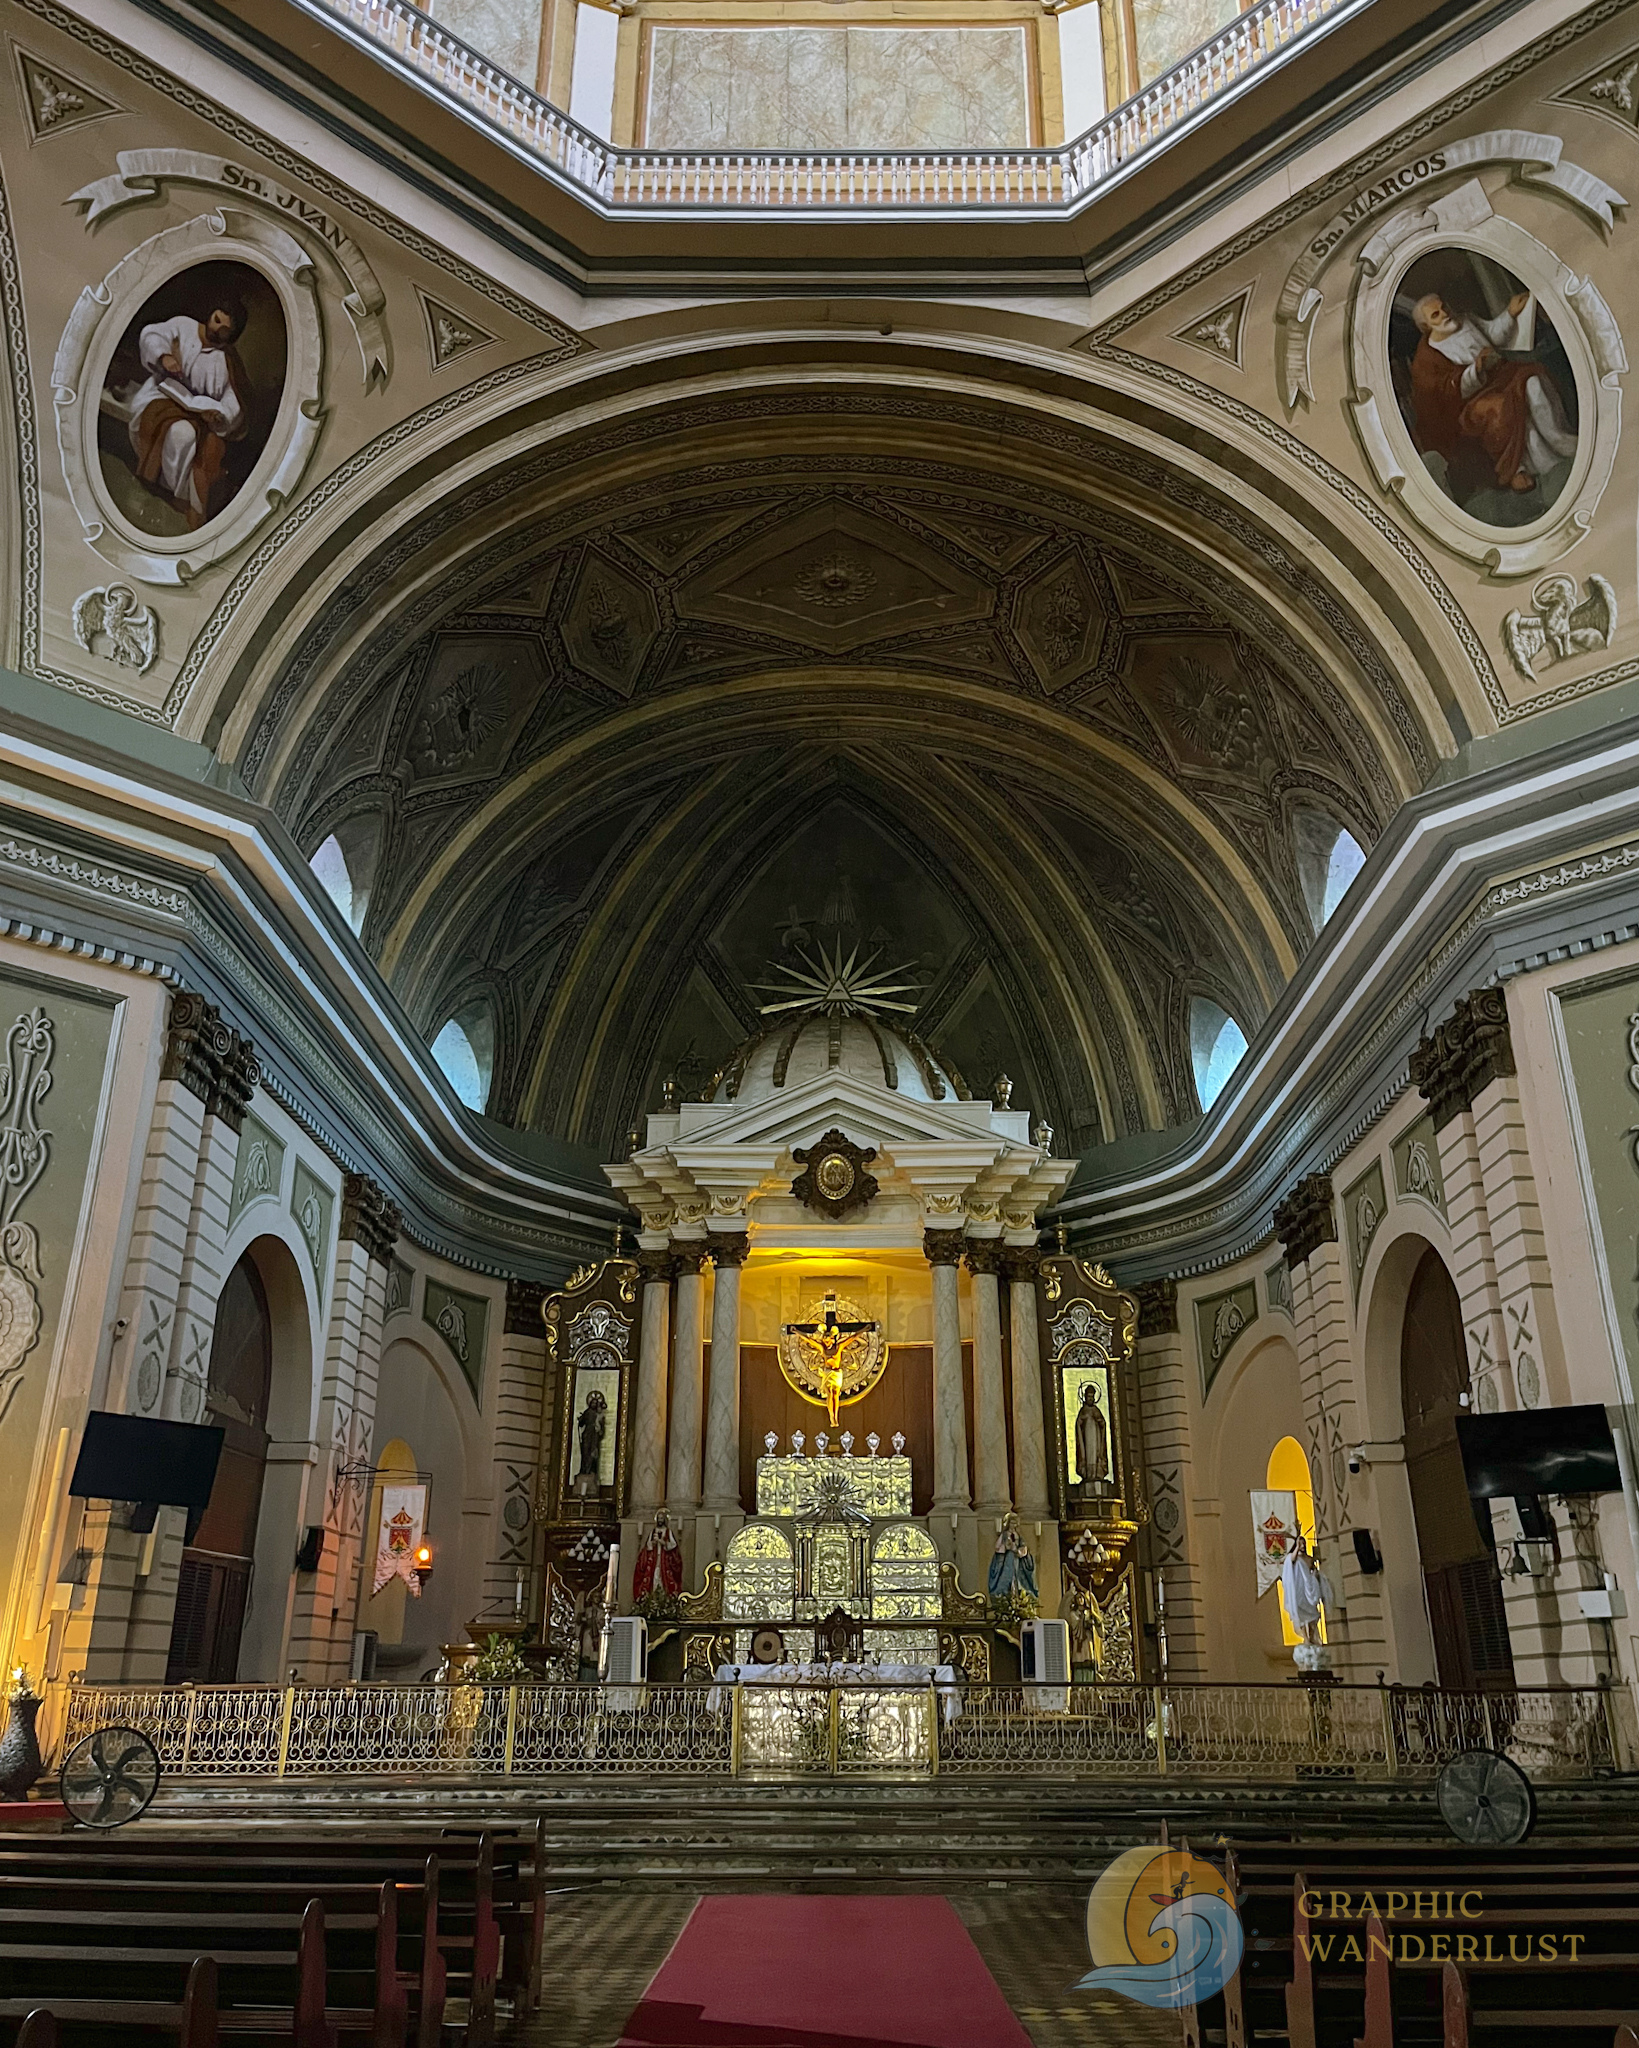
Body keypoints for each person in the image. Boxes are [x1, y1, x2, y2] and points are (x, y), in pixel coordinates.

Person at [1408, 289, 1576, 501]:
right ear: (1426, 326)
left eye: (1444, 307)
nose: (1445, 314)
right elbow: (1445, 393)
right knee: (1500, 406)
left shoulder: (1465, 320)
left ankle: (1558, 438)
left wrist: (1510, 313)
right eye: (1436, 315)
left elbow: (1494, 335)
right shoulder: (1426, 359)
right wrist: (1476, 369)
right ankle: (1519, 467)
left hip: (1501, 375)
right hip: (1470, 400)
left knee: (1533, 381)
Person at [127, 294, 252, 528]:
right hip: (160, 396)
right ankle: (156, 483)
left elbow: (233, 402)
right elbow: (151, 334)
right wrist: (163, 356)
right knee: (170, 427)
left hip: (198, 419)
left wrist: (218, 415)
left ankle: (176, 494)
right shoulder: (183, 327)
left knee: (183, 434)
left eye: (224, 330)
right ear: (211, 314)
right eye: (216, 320)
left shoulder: (226, 361)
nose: (216, 329)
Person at [987, 1512, 1039, 1604]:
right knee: (1007, 1576)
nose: (1013, 1525)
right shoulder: (1004, 1535)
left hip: (1017, 1559)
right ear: (1008, 1524)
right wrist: (1008, 1547)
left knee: (1018, 1577)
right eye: (1011, 1523)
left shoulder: (1018, 1535)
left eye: (1015, 1523)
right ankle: (1005, 1595)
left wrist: (1020, 1551)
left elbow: (1023, 1546)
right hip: (1008, 1558)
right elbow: (998, 1547)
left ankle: (1019, 1596)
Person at [633, 1508, 682, 1600]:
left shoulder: (668, 1531)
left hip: (665, 1559)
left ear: (664, 1520)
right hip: (654, 1559)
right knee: (654, 1576)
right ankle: (653, 1597)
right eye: (659, 1518)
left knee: (664, 1578)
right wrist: (652, 1544)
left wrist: (662, 1542)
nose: (660, 1520)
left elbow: (673, 1545)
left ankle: (664, 1598)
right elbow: (648, 1545)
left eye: (661, 1518)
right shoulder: (653, 1531)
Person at [1074, 1380, 1110, 1491]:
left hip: (1096, 1435)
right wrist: (1081, 1421)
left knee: (1096, 1453)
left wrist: (1099, 1421)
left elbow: (1103, 1423)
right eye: (1088, 1397)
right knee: (1088, 1454)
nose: (1090, 1399)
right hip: (1087, 1436)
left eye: (1091, 1397)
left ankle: (1097, 1473)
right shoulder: (1083, 1410)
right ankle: (1089, 1474)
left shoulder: (1096, 1410)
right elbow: (1078, 1424)